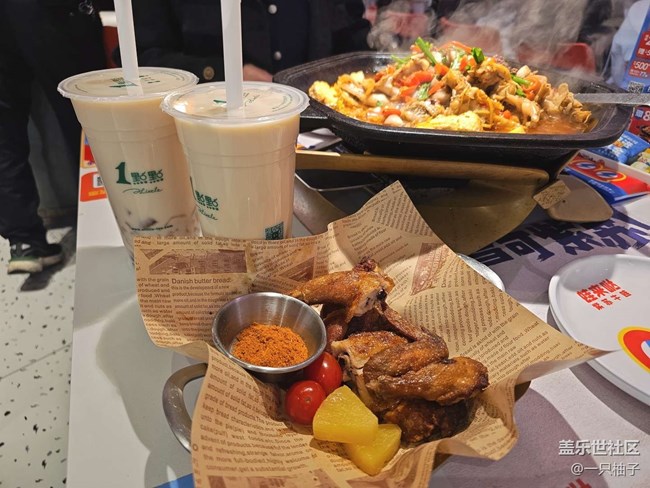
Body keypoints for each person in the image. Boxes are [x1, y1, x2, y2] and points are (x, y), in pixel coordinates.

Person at [0, 0, 105, 273]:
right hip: (49, 13)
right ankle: (101, 228)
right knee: (84, 116)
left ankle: (24, 241)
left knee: (4, 136)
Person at [125, 0, 372, 83]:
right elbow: (142, 59)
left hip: (324, 140)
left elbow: (350, 36)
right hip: (210, 139)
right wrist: (224, 73)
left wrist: (382, 41)